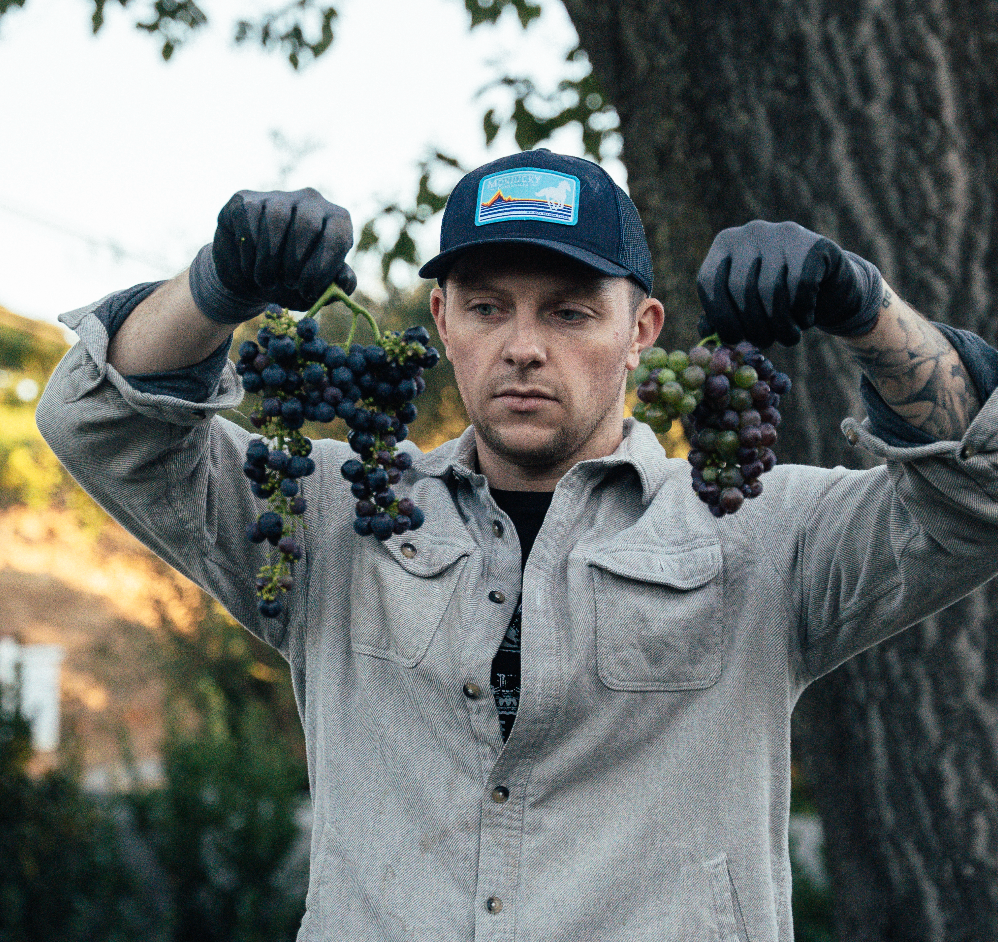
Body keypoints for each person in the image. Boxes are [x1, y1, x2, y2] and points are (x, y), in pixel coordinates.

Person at [37, 149, 998, 942]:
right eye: (489, 306)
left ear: (640, 331)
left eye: (570, 310)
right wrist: (215, 285)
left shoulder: (759, 531)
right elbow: (102, 426)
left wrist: (864, 309)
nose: (524, 345)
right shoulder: (327, 517)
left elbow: (978, 489)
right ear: (445, 323)